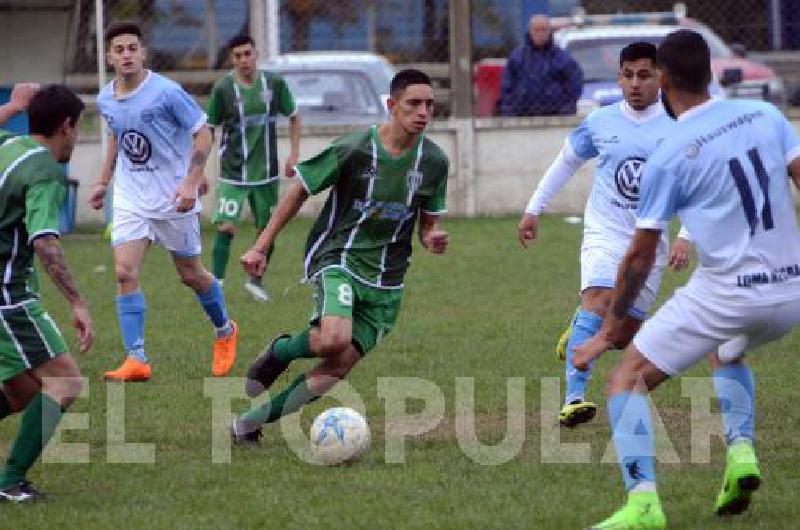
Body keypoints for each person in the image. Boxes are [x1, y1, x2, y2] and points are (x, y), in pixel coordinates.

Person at [573, 30, 800, 529]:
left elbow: (638, 256)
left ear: (666, 79)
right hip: (790, 292)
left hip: (727, 294)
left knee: (626, 378)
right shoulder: (764, 116)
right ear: (711, 70)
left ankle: (643, 505)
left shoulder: (671, 153)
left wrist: (609, 333)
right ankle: (741, 455)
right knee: (728, 349)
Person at [230, 69, 449, 443]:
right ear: (391, 106)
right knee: (333, 338)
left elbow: (427, 223)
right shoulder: (356, 148)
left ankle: (249, 423)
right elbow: (301, 187)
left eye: (429, 104)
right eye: (414, 103)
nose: (423, 111)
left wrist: (431, 237)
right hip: (339, 257)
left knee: (339, 365)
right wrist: (261, 244)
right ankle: (281, 351)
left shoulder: (434, 162)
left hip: (387, 280)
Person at [518, 42, 702, 427]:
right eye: (627, 75)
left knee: (620, 335)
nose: (634, 84)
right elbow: (565, 163)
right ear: (620, 77)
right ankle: (573, 398)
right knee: (600, 300)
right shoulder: (601, 122)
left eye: (644, 75)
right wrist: (534, 208)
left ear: (660, 77)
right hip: (605, 230)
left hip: (649, 239)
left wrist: (686, 235)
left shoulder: (679, 127)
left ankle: (581, 327)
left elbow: (697, 187)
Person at [89, 21, 237, 382]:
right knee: (124, 272)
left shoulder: (167, 93)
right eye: (119, 49)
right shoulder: (105, 98)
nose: (126, 55)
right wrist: (103, 181)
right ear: (109, 56)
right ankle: (136, 359)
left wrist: (192, 180)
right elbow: (116, 138)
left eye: (132, 48)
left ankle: (225, 330)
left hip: (174, 197)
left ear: (143, 53)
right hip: (130, 196)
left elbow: (204, 134)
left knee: (191, 275)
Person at [0, 85, 93, 502]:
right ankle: (11, 484)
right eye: (79, 127)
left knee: (20, 391)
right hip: (8, 297)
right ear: (66, 126)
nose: (76, 137)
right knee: (66, 381)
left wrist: (13, 108)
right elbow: (45, 242)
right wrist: (76, 301)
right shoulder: (44, 171)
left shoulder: (9, 144)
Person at [206, 34, 301, 301]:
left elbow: (294, 116)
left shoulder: (274, 83)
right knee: (226, 227)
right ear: (231, 59)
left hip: (266, 173)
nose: (243, 60)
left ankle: (256, 281)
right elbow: (209, 129)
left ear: (256, 54)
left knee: (267, 231)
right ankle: (217, 284)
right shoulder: (223, 89)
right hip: (233, 173)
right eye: (237, 56)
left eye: (247, 54)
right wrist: (199, 170)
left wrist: (294, 154)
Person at [498, 14, 582, 116]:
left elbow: (574, 85)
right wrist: (509, 112)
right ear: (530, 31)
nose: (540, 34)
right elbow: (507, 87)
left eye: (544, 30)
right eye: (536, 30)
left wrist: (566, 109)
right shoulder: (517, 58)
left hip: (556, 116)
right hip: (522, 116)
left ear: (550, 31)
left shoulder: (563, 59)